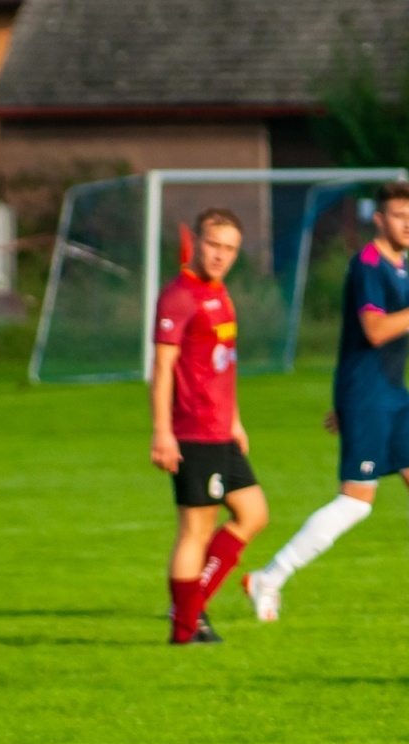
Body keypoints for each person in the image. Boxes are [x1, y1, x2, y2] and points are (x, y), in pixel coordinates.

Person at [245, 181, 409, 620]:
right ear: (380, 220)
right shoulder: (368, 264)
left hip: (391, 395)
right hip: (369, 395)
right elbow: (376, 330)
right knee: (355, 503)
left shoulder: (400, 265)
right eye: (400, 217)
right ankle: (268, 577)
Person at [150, 208, 268, 645]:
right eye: (214, 245)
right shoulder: (179, 296)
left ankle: (190, 607)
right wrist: (162, 431)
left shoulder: (220, 293)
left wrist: (235, 420)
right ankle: (184, 628)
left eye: (230, 248)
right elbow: (163, 368)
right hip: (193, 432)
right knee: (195, 530)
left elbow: (223, 365)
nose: (221, 255)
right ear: (196, 243)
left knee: (254, 513)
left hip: (221, 430)